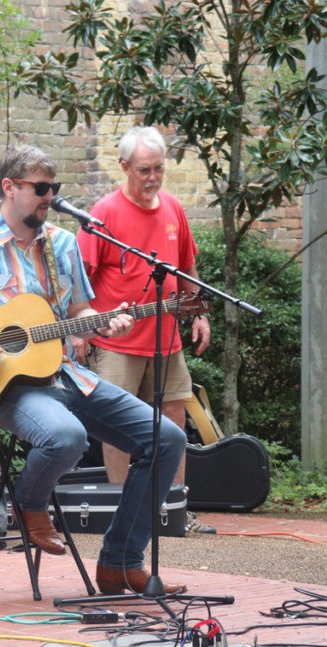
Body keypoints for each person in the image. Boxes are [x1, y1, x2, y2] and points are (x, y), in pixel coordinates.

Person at [0, 144, 187, 595]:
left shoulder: (64, 245)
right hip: (5, 386)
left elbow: (80, 312)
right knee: (65, 437)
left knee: (167, 438)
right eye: (41, 188)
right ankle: (29, 504)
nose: (49, 196)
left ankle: (120, 562)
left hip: (66, 375)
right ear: (10, 187)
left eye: (54, 188)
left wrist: (108, 321)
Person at [73, 126, 215, 535]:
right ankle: (122, 511)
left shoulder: (172, 208)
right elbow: (79, 276)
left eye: (159, 169)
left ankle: (173, 510)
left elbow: (186, 266)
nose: (153, 178)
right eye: (144, 170)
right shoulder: (103, 214)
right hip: (116, 341)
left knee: (173, 415)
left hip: (167, 338)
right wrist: (80, 331)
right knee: (117, 424)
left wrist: (199, 312)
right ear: (124, 168)